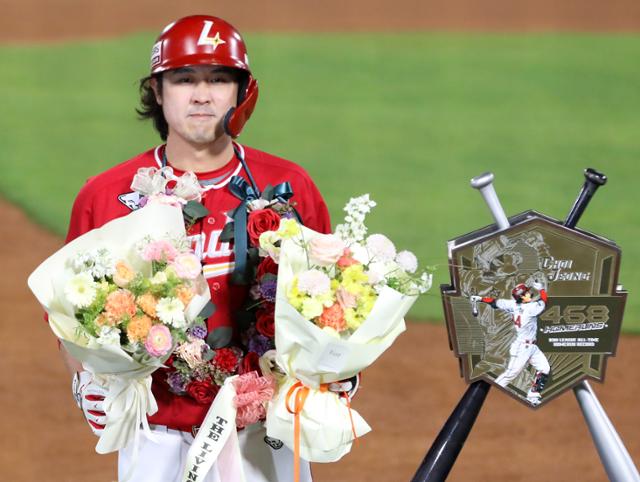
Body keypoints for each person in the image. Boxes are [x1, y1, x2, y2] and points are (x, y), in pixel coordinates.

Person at [62, 14, 339, 481]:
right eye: (185, 79)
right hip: (155, 435)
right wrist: (84, 378)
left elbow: (332, 303)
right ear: (157, 90)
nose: (202, 94)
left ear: (242, 92)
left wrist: (336, 371)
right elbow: (69, 315)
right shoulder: (106, 196)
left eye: (218, 79)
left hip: (266, 432)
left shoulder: (289, 187)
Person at [471, 280, 551, 405]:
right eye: (527, 293)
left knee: (544, 368)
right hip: (522, 347)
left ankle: (533, 395)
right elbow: (544, 301)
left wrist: (480, 299)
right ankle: (489, 393)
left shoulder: (512, 305)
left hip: (531, 347)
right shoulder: (531, 308)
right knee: (511, 374)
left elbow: (494, 302)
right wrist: (541, 289)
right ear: (522, 297)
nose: (530, 294)